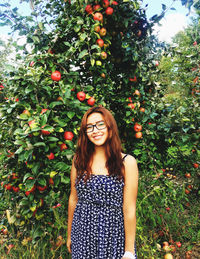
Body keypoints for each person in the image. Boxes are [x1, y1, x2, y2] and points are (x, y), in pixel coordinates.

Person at [67, 106, 138, 259]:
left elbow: (129, 209)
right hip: (82, 234)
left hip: (113, 236)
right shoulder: (78, 161)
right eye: (89, 127)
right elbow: (73, 199)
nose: (95, 130)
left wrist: (129, 251)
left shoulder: (127, 163)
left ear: (109, 127)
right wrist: (69, 235)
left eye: (100, 124)